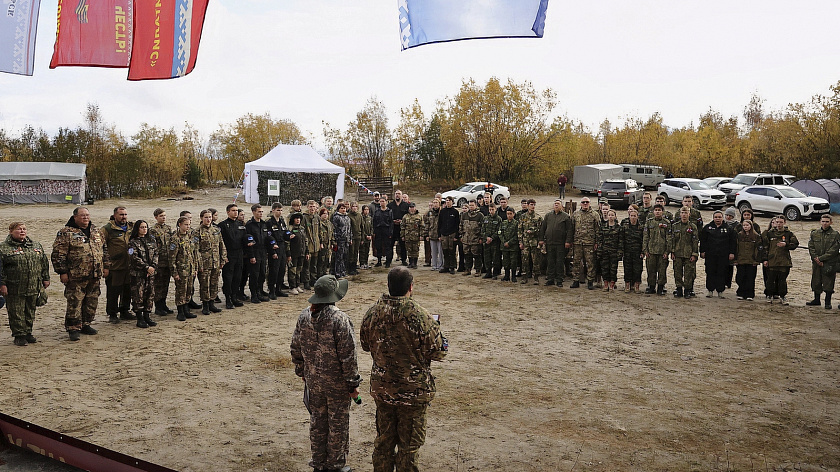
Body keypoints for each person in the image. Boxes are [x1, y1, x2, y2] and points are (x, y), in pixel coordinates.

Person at [360, 267, 447, 472]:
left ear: (389, 286)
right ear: (411, 287)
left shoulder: (373, 313)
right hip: (412, 393)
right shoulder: (421, 316)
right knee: (409, 448)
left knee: (383, 443)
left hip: (383, 390)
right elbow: (438, 352)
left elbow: (365, 345)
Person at [290, 275, 361, 472]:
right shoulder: (340, 319)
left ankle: (319, 463)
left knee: (318, 422)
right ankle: (335, 465)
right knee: (337, 425)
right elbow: (348, 356)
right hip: (337, 385)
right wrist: (352, 384)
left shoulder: (304, 316)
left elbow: (295, 348)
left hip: (314, 381)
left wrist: (302, 371)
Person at [52, 207, 108, 341]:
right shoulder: (66, 233)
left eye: (87, 215)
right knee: (75, 302)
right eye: (82, 215)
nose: (85, 217)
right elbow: (58, 254)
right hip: (75, 275)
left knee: (91, 301)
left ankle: (86, 324)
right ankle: (73, 327)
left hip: (94, 274)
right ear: (75, 217)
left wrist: (106, 266)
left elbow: (104, 250)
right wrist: (62, 272)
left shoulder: (96, 231)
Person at [0, 222, 50, 345]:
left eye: (24, 229)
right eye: (18, 229)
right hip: (14, 286)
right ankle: (19, 335)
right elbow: (0, 269)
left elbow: (44, 263)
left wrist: (46, 278)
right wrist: (2, 284)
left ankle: (28, 332)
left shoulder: (35, 245)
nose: (22, 231)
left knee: (30, 310)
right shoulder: (3, 248)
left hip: (33, 284)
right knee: (16, 312)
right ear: (11, 231)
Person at [102, 206, 135, 323]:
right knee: (113, 291)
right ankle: (112, 314)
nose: (123, 217)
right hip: (115, 266)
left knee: (127, 290)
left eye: (125, 214)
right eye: (121, 215)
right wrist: (105, 265)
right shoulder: (107, 229)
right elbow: (101, 247)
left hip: (129, 265)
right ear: (115, 215)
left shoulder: (131, 227)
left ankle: (124, 310)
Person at [762, 215, 799, 305]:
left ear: (784, 222)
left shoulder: (788, 234)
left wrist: (786, 244)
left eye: (781, 222)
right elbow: (765, 247)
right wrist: (765, 259)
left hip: (784, 261)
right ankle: (769, 295)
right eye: (777, 222)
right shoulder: (769, 233)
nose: (779, 224)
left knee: (782, 280)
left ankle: (782, 296)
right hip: (772, 260)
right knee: (770, 279)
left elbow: (795, 244)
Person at [128, 220, 158, 328]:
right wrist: (146, 267)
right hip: (138, 274)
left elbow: (156, 254)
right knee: (138, 295)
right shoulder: (132, 242)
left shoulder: (151, 240)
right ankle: (139, 318)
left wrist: (153, 267)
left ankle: (147, 316)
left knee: (150, 294)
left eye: (145, 227)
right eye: (142, 227)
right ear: (137, 229)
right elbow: (133, 257)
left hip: (150, 273)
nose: (144, 229)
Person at [699, 210, 737, 298]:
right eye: (716, 217)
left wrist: (732, 253)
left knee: (722, 272)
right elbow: (703, 241)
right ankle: (710, 290)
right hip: (710, 254)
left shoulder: (729, 228)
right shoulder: (707, 228)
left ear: (722, 218)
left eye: (719, 217)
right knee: (710, 272)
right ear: (713, 218)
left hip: (723, 255)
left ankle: (720, 291)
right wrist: (702, 251)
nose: (717, 219)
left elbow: (733, 242)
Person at [197, 209, 228, 314]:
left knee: (214, 283)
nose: (208, 219)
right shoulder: (197, 231)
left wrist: (223, 258)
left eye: (210, 217)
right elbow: (195, 249)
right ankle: (205, 305)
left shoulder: (216, 230)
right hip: (204, 263)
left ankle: (212, 303)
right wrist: (199, 264)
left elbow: (221, 245)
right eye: (206, 217)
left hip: (216, 262)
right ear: (201, 218)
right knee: (205, 284)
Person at [806, 214, 840, 309]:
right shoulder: (814, 233)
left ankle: (827, 302)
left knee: (828, 282)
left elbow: (834, 249)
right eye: (823, 221)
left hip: (829, 262)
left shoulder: (835, 235)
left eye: (827, 222)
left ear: (831, 222)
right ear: (820, 222)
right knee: (816, 281)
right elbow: (811, 246)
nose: (825, 223)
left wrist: (822, 258)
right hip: (816, 262)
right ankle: (816, 300)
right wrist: (816, 258)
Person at [219, 204, 247, 309]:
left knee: (237, 277)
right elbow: (220, 242)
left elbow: (244, 239)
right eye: (233, 210)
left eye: (236, 210)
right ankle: (228, 299)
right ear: (228, 212)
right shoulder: (222, 225)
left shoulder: (240, 225)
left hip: (239, 254)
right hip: (228, 255)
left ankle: (234, 297)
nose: (235, 212)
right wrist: (223, 256)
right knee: (228, 278)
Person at [171, 216, 199, 321]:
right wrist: (175, 273)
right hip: (181, 270)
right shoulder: (175, 238)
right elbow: (172, 258)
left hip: (190, 269)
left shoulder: (190, 236)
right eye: (186, 224)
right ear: (180, 225)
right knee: (181, 291)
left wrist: (195, 268)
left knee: (189, 290)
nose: (188, 227)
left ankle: (186, 310)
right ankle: (180, 312)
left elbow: (193, 253)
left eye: (189, 224)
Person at [668, 206, 699, 299]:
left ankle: (687, 290)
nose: (684, 215)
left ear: (689, 214)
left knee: (689, 273)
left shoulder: (693, 227)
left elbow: (695, 241)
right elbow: (672, 240)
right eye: (682, 213)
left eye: (686, 213)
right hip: (677, 253)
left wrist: (694, 254)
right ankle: (679, 289)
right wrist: (672, 251)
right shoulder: (675, 226)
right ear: (680, 214)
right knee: (677, 272)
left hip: (688, 254)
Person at [540, 199, 573, 287]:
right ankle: (550, 279)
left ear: (562, 206)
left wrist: (568, 241)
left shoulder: (565, 216)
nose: (556, 205)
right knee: (550, 261)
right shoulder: (548, 215)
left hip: (560, 244)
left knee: (559, 262)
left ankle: (559, 280)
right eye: (555, 204)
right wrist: (541, 239)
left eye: (558, 204)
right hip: (550, 243)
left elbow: (569, 230)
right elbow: (543, 228)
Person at [571, 197, 599, 289]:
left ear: (589, 203)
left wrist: (596, 242)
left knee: (590, 263)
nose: (585, 204)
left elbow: (597, 229)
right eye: (583, 202)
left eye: (587, 202)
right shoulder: (575, 214)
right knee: (576, 262)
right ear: (580, 204)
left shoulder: (595, 215)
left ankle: (590, 281)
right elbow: (571, 228)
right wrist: (571, 241)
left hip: (589, 243)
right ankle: (575, 280)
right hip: (578, 243)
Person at [151, 208, 174, 315]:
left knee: (166, 284)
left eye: (164, 215)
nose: (163, 217)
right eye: (161, 216)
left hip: (167, 260)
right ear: (156, 217)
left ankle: (163, 304)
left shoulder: (168, 228)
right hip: (159, 261)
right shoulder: (153, 230)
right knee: (158, 285)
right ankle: (158, 306)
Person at [643, 204, 670, 295]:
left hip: (662, 252)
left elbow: (669, 238)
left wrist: (667, 252)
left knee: (662, 271)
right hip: (651, 251)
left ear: (662, 212)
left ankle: (661, 288)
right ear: (653, 212)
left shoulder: (666, 223)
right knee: (651, 270)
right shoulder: (649, 222)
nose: (657, 212)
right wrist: (645, 250)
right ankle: (651, 287)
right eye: (656, 210)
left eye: (659, 210)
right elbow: (646, 237)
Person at [734, 220, 762, 301]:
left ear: (751, 226)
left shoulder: (756, 236)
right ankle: (741, 293)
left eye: (747, 225)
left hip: (751, 261)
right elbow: (736, 247)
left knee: (750, 278)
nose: (745, 227)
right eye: (744, 225)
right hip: (741, 260)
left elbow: (758, 248)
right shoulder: (739, 235)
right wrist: (735, 259)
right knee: (740, 277)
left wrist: (756, 260)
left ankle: (750, 294)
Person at [267, 203, 290, 298]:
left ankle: (278, 289)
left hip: (282, 246)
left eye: (281, 210)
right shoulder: (269, 222)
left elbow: (285, 232)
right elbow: (268, 236)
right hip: (274, 247)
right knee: (274, 270)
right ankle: (271, 290)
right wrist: (272, 251)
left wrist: (289, 235)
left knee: (282, 270)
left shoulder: (281, 221)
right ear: (273, 210)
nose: (279, 212)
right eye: (278, 210)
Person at [620, 206, 645, 293]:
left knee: (638, 269)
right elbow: (621, 239)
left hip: (637, 252)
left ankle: (636, 286)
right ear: (629, 216)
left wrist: (643, 251)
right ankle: (627, 285)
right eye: (631, 216)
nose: (633, 217)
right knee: (627, 269)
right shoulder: (625, 226)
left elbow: (644, 240)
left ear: (637, 217)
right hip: (627, 251)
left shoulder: (641, 227)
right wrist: (621, 251)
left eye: (635, 216)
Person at [598, 209, 622, 292]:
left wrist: (620, 252)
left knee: (613, 269)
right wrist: (599, 250)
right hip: (604, 251)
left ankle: (612, 284)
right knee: (604, 268)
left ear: (615, 216)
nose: (611, 217)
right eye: (609, 215)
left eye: (612, 215)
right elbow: (600, 239)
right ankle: (605, 284)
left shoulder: (618, 228)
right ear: (607, 216)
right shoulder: (603, 226)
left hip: (614, 251)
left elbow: (620, 241)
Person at [286, 213, 309, 295]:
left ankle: (297, 285)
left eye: (299, 219)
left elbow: (305, 241)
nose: (298, 220)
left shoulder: (302, 229)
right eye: (296, 219)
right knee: (292, 270)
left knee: (299, 270)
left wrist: (307, 252)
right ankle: (292, 287)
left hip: (301, 253)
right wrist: (288, 254)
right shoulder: (290, 229)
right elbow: (287, 243)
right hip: (293, 253)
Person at [459, 200, 483, 277]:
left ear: (476, 205)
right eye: (470, 205)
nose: (471, 207)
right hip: (466, 239)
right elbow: (461, 225)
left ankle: (478, 270)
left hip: (475, 239)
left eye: (472, 205)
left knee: (477, 256)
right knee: (467, 255)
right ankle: (467, 269)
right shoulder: (464, 215)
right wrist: (461, 235)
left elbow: (483, 228)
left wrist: (481, 238)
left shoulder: (480, 215)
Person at [438, 197, 460, 274]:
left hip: (452, 234)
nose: (448, 202)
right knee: (445, 251)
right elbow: (439, 223)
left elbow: (457, 224)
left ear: (452, 202)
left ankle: (452, 267)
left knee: (452, 251)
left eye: (449, 200)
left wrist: (456, 236)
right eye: (446, 200)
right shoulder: (442, 211)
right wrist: (439, 235)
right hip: (444, 234)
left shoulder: (455, 212)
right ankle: (446, 266)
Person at [303, 200, 322, 290]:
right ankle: (306, 281)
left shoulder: (317, 217)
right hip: (308, 245)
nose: (312, 208)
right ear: (307, 207)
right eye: (310, 206)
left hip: (316, 244)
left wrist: (320, 242)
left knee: (314, 264)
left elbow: (320, 231)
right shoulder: (304, 217)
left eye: (314, 206)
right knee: (307, 265)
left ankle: (313, 280)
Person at [480, 204, 502, 279]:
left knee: (495, 258)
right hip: (486, 242)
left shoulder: (498, 219)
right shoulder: (485, 218)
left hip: (495, 242)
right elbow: (483, 230)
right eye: (490, 209)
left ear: (495, 209)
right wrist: (486, 238)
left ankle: (495, 273)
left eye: (492, 209)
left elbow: (499, 231)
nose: (491, 211)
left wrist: (492, 238)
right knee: (487, 258)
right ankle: (488, 272)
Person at [400, 203, 424, 269]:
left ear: (415, 208)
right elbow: (402, 227)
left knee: (415, 250)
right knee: (409, 250)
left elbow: (422, 227)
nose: (412, 209)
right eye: (410, 207)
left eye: (413, 207)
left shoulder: (419, 216)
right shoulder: (405, 216)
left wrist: (421, 235)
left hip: (416, 236)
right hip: (407, 236)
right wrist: (402, 236)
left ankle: (415, 263)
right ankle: (410, 263)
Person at [388, 190, 409, 264]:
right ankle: (389, 260)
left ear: (401, 195)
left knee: (403, 245)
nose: (397, 195)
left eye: (399, 194)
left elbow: (408, 216)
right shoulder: (390, 205)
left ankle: (404, 260)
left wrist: (402, 221)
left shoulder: (406, 205)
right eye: (396, 194)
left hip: (402, 228)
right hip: (392, 228)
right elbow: (387, 216)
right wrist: (392, 221)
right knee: (390, 245)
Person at [332, 203, 353, 278]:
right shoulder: (336, 217)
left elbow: (350, 229)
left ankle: (343, 271)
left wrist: (350, 238)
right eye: (342, 208)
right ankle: (338, 272)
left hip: (346, 240)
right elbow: (334, 229)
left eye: (344, 208)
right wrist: (335, 240)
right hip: (339, 240)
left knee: (345, 256)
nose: (343, 210)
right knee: (339, 257)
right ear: (338, 209)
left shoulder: (347, 217)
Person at [373, 196, 394, 267]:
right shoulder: (377, 211)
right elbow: (374, 222)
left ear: (386, 202)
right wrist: (374, 231)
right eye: (381, 201)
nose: (382, 203)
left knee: (388, 247)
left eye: (383, 201)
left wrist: (390, 232)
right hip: (378, 230)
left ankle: (388, 262)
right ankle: (379, 261)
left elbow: (391, 223)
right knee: (378, 246)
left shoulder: (389, 211)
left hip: (386, 230)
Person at [500, 207, 520, 283]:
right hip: (504, 246)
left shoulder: (516, 223)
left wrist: (509, 243)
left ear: (514, 214)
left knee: (513, 262)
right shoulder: (503, 223)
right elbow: (500, 233)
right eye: (508, 214)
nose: (509, 215)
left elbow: (517, 235)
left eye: (510, 214)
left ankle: (513, 276)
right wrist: (504, 242)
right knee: (506, 261)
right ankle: (506, 275)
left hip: (513, 247)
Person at [423, 199, 443, 272]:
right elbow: (427, 224)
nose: (435, 204)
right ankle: (434, 265)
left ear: (439, 203)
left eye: (436, 202)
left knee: (440, 252)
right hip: (431, 235)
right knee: (433, 252)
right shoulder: (429, 213)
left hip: (440, 235)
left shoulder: (442, 212)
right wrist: (427, 235)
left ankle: (440, 265)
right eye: (434, 203)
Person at [317, 208, 334, 278]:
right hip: (322, 244)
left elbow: (332, 234)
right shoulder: (319, 223)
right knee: (321, 260)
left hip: (328, 244)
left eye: (326, 214)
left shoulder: (329, 224)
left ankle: (324, 273)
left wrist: (332, 243)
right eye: (323, 214)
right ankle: (319, 274)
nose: (325, 215)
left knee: (326, 260)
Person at [348, 202, 363, 275]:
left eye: (356, 206)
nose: (354, 208)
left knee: (356, 252)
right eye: (353, 206)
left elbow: (362, 226)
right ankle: (350, 268)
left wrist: (362, 237)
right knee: (351, 252)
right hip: (352, 237)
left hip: (358, 236)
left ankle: (354, 267)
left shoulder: (359, 215)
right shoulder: (348, 216)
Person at [359, 205, 373, 270]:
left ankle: (366, 263)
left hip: (369, 237)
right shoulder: (361, 217)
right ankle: (362, 263)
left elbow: (371, 227)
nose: (366, 211)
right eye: (365, 209)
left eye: (367, 209)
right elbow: (361, 228)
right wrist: (365, 235)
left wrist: (371, 235)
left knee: (367, 250)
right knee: (362, 251)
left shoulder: (370, 218)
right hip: (363, 237)